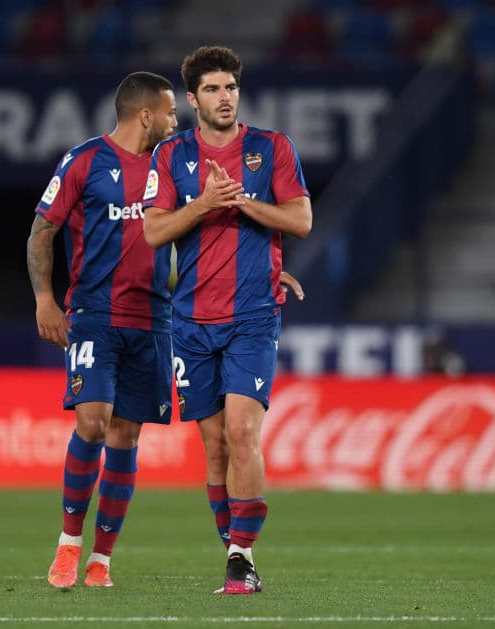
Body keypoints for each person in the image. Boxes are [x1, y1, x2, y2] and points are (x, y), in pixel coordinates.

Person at [143, 45, 312, 594]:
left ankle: (242, 557)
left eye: (231, 88)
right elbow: (153, 230)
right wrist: (204, 204)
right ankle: (235, 554)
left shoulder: (272, 148)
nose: (225, 97)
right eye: (212, 89)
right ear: (192, 100)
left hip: (252, 317)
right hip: (190, 321)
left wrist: (239, 203)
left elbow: (301, 220)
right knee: (214, 446)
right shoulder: (171, 156)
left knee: (242, 432)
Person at [28, 71, 179, 589]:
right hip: (94, 315)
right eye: (169, 112)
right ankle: (69, 545)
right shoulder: (84, 161)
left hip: (153, 320)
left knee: (126, 435)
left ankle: (101, 560)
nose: (175, 121)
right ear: (145, 115)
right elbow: (42, 230)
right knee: (92, 423)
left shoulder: (173, 165)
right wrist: (45, 299)